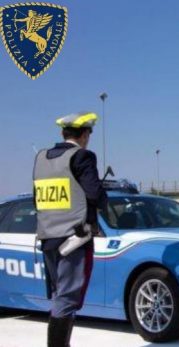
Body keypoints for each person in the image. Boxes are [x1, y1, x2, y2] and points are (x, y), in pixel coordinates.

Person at [33, 112, 107, 347]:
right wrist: (103, 197)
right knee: (68, 299)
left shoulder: (41, 158)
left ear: (62, 133)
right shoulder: (82, 157)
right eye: (88, 134)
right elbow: (94, 194)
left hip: (48, 239)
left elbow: (38, 199)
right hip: (74, 239)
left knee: (59, 297)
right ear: (84, 134)